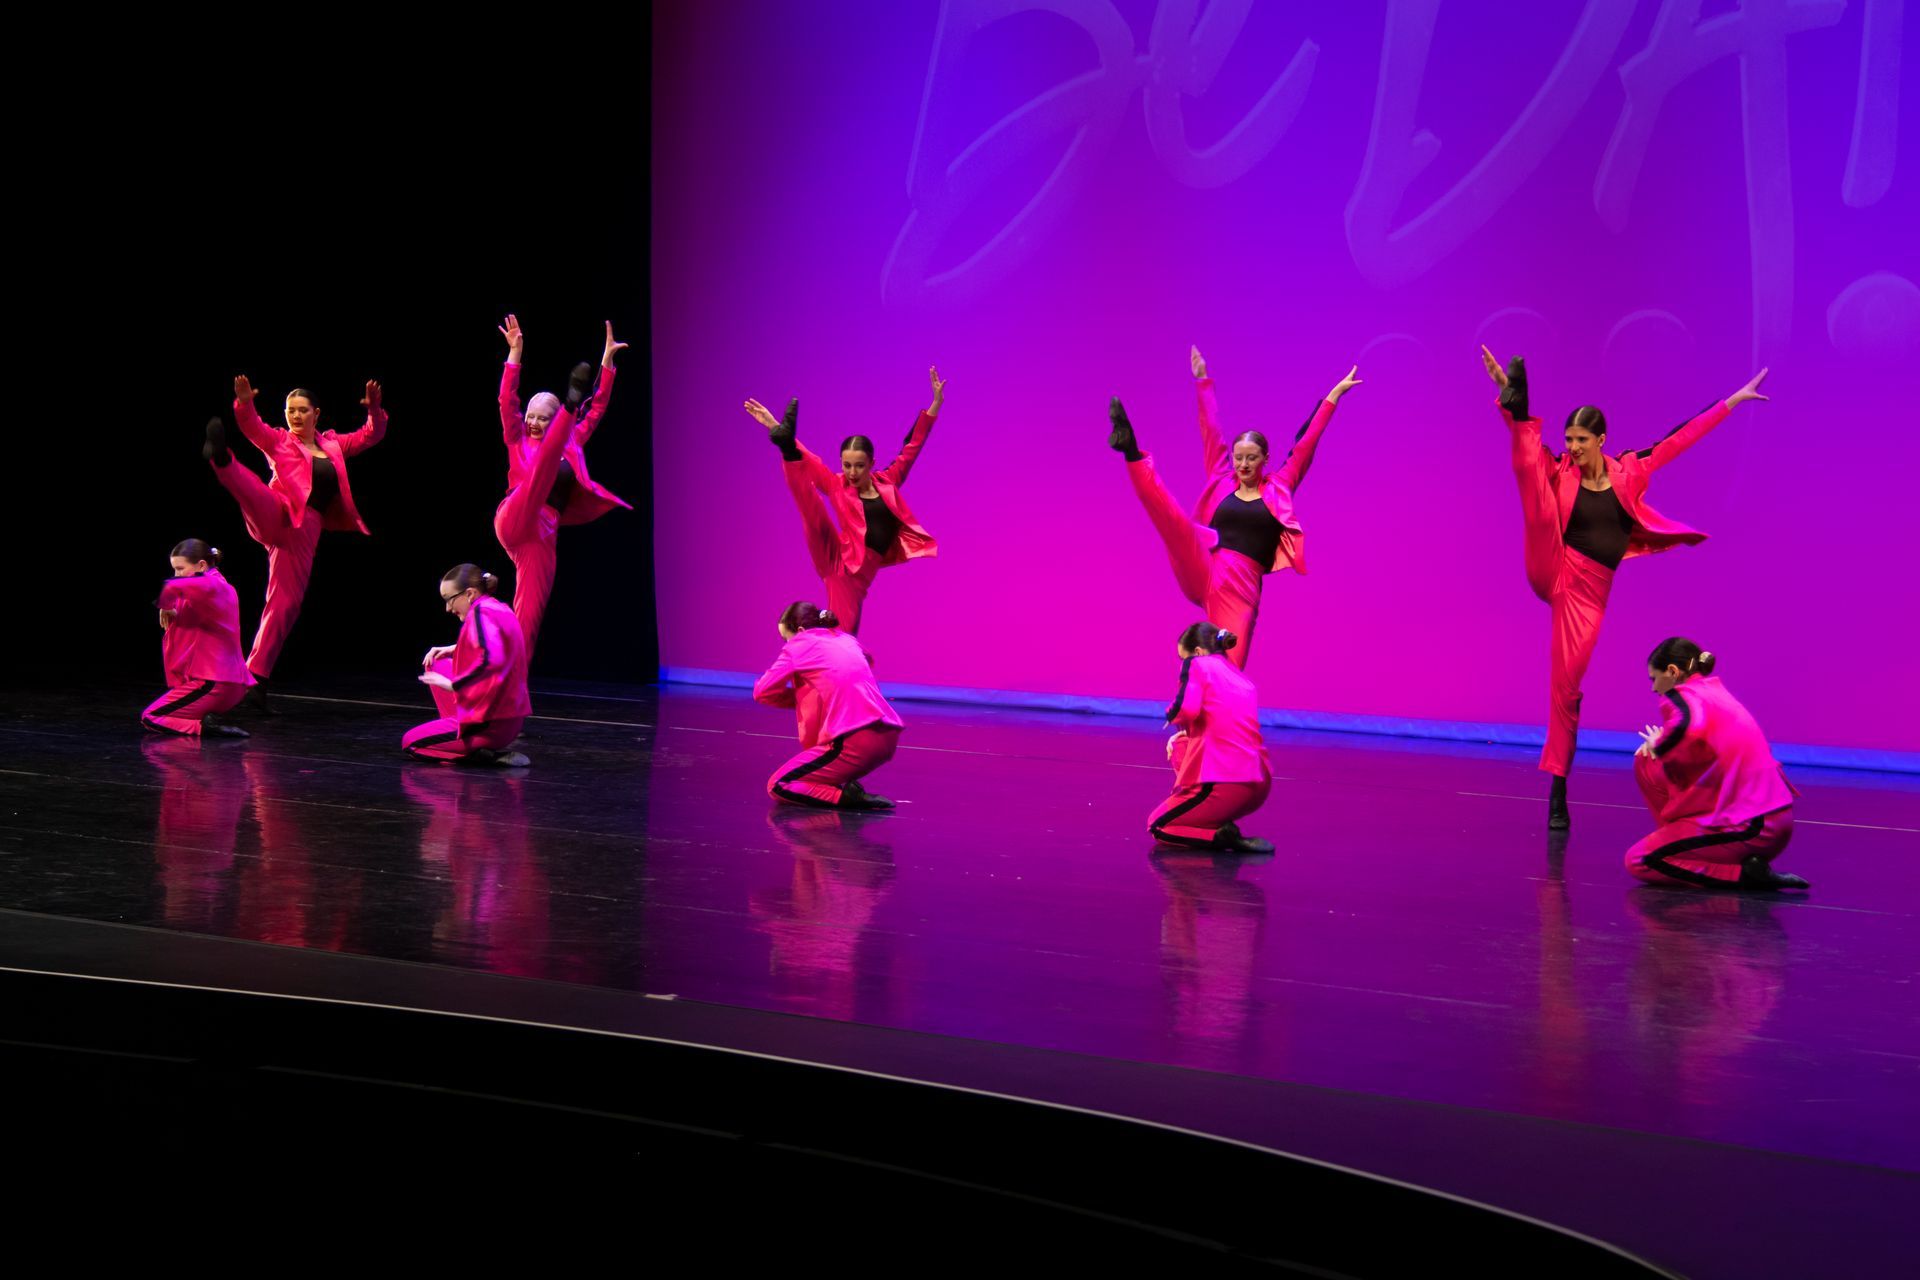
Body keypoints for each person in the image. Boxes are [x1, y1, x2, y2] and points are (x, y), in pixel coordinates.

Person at [1481, 345, 1771, 829]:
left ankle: (1558, 787)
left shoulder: (1630, 471)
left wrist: (1731, 402)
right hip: (1550, 561)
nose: (1572, 447)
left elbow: (1677, 441)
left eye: (1579, 440)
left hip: (1587, 595)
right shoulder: (1560, 469)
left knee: (1566, 688)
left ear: (1601, 440)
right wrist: (1512, 410)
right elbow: (1533, 462)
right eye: (1568, 438)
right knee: (1534, 473)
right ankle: (1520, 400)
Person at [1109, 347, 1360, 668]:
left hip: (1240, 589)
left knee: (1227, 672)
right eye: (1239, 457)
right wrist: (1202, 380)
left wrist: (1333, 397)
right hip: (1206, 563)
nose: (1242, 464)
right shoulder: (1222, 477)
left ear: (1265, 460)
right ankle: (1131, 450)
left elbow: (1306, 444)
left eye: (1251, 458)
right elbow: (1210, 430)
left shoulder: (1280, 486)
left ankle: (1196, 715)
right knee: (1173, 521)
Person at [202, 376, 387, 700]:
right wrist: (245, 403)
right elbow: (253, 428)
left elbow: (370, 436)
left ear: (317, 413)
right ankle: (223, 460)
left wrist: (374, 409)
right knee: (254, 492)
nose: (296, 416)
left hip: (305, 529)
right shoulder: (280, 441)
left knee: (286, 603)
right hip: (277, 509)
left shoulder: (333, 445)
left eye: (302, 410)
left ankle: (256, 676)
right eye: (290, 410)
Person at [743, 365, 944, 634]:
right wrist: (778, 429)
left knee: (843, 638)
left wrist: (935, 405)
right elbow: (812, 463)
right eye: (847, 465)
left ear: (871, 463)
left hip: (855, 578)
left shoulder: (888, 482)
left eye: (859, 466)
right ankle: (786, 447)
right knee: (810, 507)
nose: (851, 472)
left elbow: (911, 449)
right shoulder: (839, 485)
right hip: (840, 568)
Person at [496, 314, 632, 660]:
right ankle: (572, 402)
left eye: (543, 418)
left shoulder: (572, 441)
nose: (533, 422)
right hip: (516, 514)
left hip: (541, 535)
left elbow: (598, 407)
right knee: (540, 475)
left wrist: (606, 362)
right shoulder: (516, 438)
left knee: (528, 617)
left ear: (553, 420)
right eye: (531, 416)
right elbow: (507, 401)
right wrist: (514, 355)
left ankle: (512, 684)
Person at [1626, 637, 1805, 891]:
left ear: (1673, 672)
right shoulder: (1713, 690)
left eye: (1654, 679)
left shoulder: (1684, 695)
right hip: (1768, 821)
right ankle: (1678, 840)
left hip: (1754, 826)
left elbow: (1690, 722)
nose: (1654, 688)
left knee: (1640, 860)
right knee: (1646, 762)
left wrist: (1660, 744)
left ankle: (1742, 876)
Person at [752, 601, 905, 808]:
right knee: (808, 777)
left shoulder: (799, 645)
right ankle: (847, 793)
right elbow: (862, 663)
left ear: (800, 630)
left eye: (785, 638)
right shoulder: (846, 639)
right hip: (886, 735)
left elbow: (762, 692)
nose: (785, 644)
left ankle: (846, 798)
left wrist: (799, 696)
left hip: (854, 739)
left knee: (779, 785)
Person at [1151, 622, 1273, 853]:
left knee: (1158, 825)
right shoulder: (1238, 677)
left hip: (1225, 781)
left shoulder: (1198, 665)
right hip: (1259, 782)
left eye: (1183, 657)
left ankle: (1219, 836)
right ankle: (1214, 823)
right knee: (1181, 743)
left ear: (1197, 652)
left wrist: (1170, 716)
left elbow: (1185, 709)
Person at [403, 563, 532, 767]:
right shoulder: (497, 606)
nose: (448, 608)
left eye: (449, 600)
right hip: (508, 721)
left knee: (410, 743)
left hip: (490, 726)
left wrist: (453, 685)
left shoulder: (481, 613)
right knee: (435, 662)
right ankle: (461, 730)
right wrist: (455, 648)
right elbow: (504, 645)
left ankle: (481, 755)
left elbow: (492, 660)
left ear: (470, 593)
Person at [144, 538, 254, 737]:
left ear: (201, 565)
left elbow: (170, 586)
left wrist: (165, 606)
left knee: (151, 717)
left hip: (214, 682)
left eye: (180, 568)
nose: (176, 574)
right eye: (174, 569)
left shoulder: (212, 584)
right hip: (225, 683)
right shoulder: (209, 589)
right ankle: (205, 723)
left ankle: (204, 728)